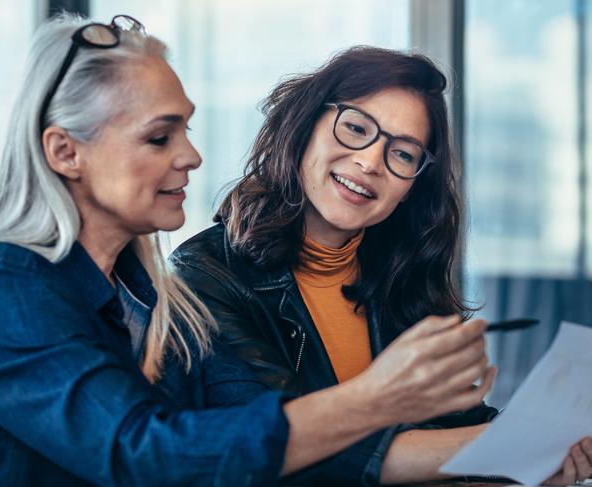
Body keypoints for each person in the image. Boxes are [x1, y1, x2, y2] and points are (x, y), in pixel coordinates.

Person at [0, 14, 503, 486]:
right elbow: (145, 453)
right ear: (65, 152)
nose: (191, 156)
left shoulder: (145, 294)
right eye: (160, 137)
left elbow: (247, 440)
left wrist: (519, 450)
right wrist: (376, 400)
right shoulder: (1, 285)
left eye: (186, 130)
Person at [171, 46, 592, 485]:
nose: (370, 163)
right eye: (355, 128)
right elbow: (282, 451)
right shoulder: (204, 276)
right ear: (304, 127)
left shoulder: (404, 277)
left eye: (404, 154)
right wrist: (512, 448)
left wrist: (534, 469)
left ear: (411, 187)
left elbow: (452, 431)